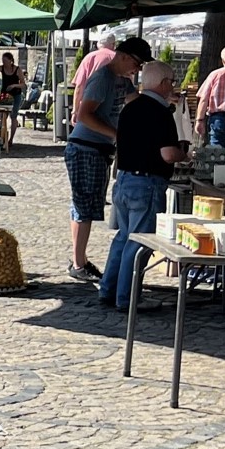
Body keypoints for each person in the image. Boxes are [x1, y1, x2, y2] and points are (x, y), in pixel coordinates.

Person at [97, 61, 189, 312]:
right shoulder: (160, 112)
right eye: (171, 81)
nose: (173, 86)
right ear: (162, 84)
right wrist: (184, 154)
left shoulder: (130, 107)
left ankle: (108, 290)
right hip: (146, 183)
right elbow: (168, 154)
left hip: (125, 179)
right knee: (139, 243)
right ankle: (127, 298)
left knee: (123, 239)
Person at [65, 36, 152, 283]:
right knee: (85, 207)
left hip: (98, 149)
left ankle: (78, 259)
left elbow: (137, 101)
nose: (138, 69)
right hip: (85, 148)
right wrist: (118, 134)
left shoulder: (121, 80)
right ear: (124, 56)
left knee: (86, 206)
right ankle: (78, 263)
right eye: (137, 63)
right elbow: (84, 115)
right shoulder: (103, 78)